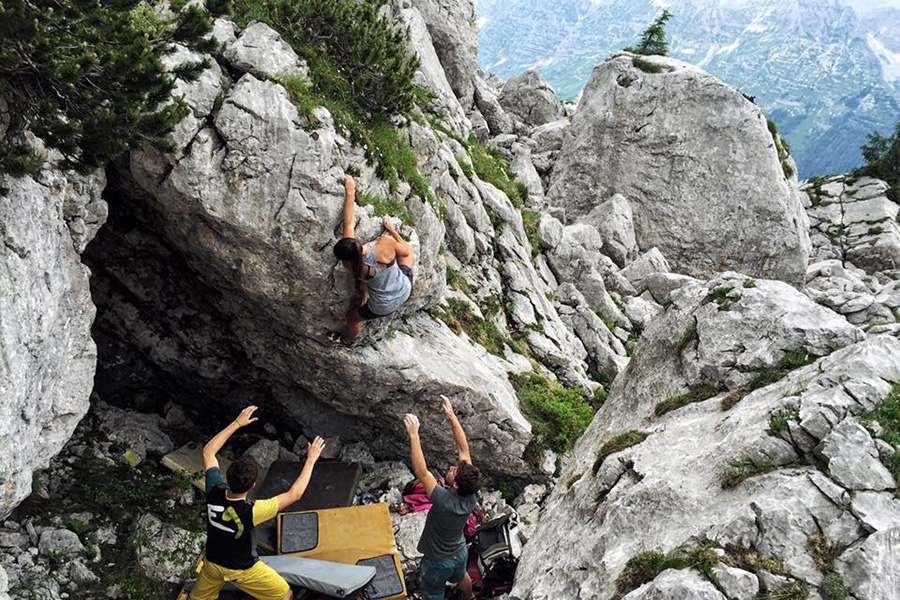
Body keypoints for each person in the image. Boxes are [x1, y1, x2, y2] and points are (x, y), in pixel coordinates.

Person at [190, 406, 326, 600]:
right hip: (242, 569)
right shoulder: (252, 511)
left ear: (227, 476)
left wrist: (237, 423)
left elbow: (208, 452)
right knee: (285, 594)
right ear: (253, 485)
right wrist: (311, 459)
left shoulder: (213, 490)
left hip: (212, 563)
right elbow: (294, 494)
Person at [404, 396, 482, 600]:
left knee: (433, 592)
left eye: (454, 471)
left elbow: (421, 471)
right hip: (459, 552)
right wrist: (451, 415)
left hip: (438, 561)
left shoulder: (443, 500)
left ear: (455, 485)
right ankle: (469, 597)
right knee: (461, 576)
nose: (452, 468)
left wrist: (414, 435)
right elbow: (464, 449)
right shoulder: (471, 493)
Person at [332, 174, 416, 343]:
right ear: (354, 242)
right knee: (409, 251)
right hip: (405, 290)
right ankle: (346, 340)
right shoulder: (383, 244)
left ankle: (345, 341)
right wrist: (391, 230)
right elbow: (406, 251)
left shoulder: (351, 265)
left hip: (383, 305)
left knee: (352, 317)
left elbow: (348, 224)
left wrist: (349, 193)